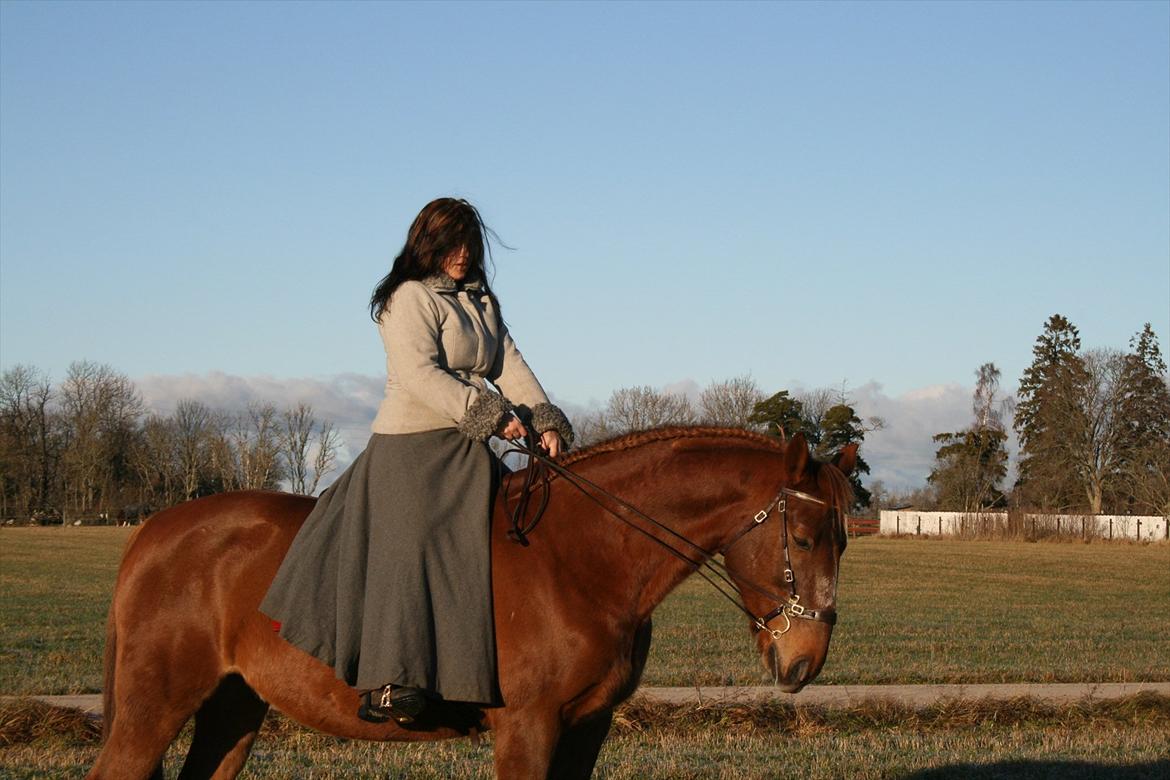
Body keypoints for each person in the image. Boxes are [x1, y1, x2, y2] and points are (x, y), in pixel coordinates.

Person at [260, 197, 573, 724]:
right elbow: (422, 375)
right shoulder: (408, 299)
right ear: (428, 244)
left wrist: (543, 417)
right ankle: (390, 681)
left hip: (470, 445)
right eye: (453, 244)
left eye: (470, 245)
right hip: (412, 444)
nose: (463, 254)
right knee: (414, 542)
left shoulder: (478, 300)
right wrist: (489, 413)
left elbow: (509, 363)